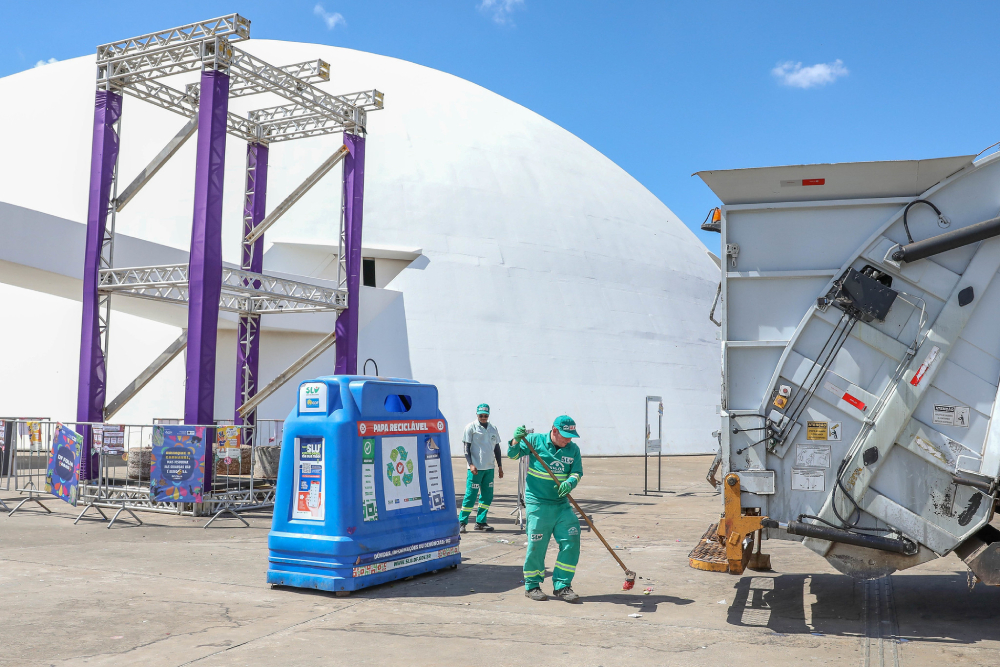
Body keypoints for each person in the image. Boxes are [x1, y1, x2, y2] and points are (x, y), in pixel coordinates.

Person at [507, 416, 582, 602]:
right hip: (538, 503)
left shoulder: (573, 449)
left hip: (561, 504)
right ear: (554, 431)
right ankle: (532, 585)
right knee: (537, 544)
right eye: (565, 436)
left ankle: (562, 585)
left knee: (571, 540)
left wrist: (570, 482)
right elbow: (513, 454)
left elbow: (576, 471)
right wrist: (516, 439)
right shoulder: (534, 441)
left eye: (571, 436)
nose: (568, 440)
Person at [459, 403, 504, 533]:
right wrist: (471, 464)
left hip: (489, 468)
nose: (483, 418)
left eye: (485, 415)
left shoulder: (493, 428)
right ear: (477, 414)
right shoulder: (470, 428)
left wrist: (500, 466)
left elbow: (497, 448)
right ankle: (462, 522)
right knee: (471, 496)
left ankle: (481, 522)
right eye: (481, 415)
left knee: (487, 496)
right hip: (475, 469)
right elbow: (466, 448)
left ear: (488, 415)